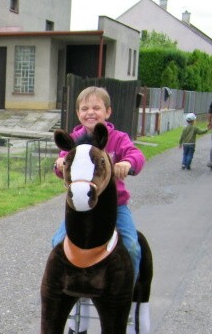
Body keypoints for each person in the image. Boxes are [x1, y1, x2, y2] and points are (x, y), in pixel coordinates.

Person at [51, 86, 146, 281]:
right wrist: (60, 163)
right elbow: (61, 162)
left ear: (108, 112)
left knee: (131, 246)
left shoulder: (118, 139)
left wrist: (127, 163)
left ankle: (128, 287)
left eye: (96, 107)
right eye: (85, 109)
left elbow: (136, 155)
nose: (90, 112)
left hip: (114, 206)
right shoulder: (74, 140)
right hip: (80, 207)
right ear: (78, 113)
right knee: (58, 241)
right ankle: (66, 285)